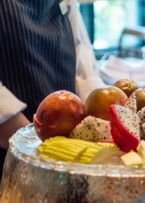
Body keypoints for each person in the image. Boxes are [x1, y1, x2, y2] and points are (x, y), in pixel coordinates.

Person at [0, 0, 104, 179]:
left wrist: (101, 130)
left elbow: (84, 70)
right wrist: (37, 149)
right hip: (11, 157)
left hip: (67, 157)